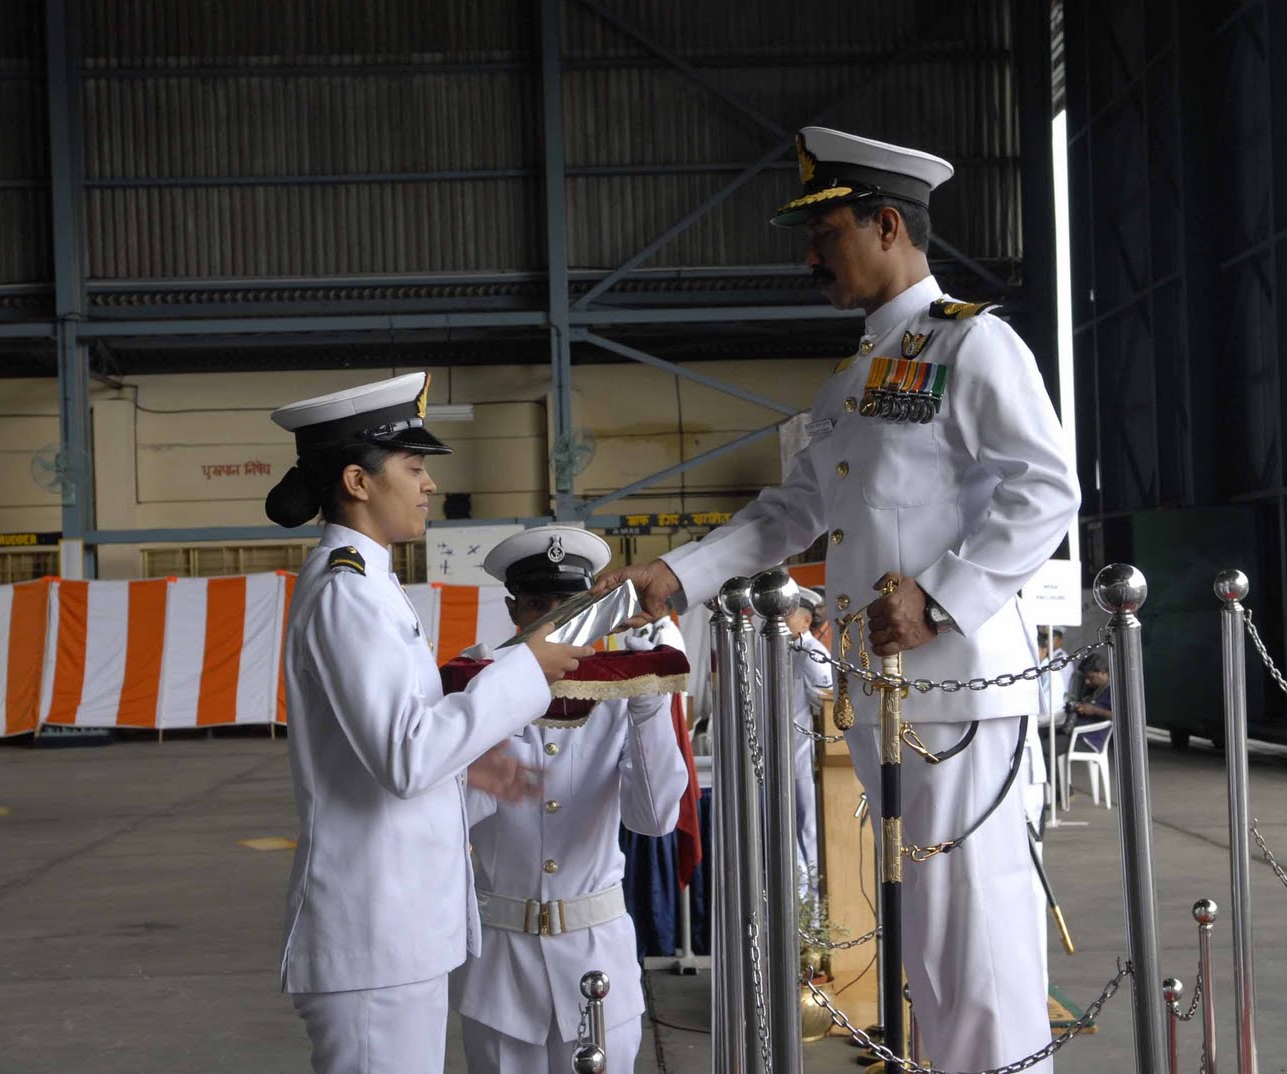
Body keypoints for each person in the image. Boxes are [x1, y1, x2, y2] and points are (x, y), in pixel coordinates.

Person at [596, 126, 1080, 1070]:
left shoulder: (974, 344)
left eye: (827, 231)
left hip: (960, 697)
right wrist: (678, 573)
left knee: (977, 948)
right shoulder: (855, 378)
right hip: (886, 700)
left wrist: (941, 598)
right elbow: (794, 511)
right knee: (929, 953)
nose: (810, 252)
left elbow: (1048, 487)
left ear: (888, 224)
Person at [265, 373, 595, 1074]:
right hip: (374, 933)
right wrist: (525, 666)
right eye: (413, 468)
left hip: (396, 930)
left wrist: (471, 771)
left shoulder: (371, 584)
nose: (428, 485)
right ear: (358, 480)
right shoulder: (347, 590)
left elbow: (393, 749)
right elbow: (408, 757)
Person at [451, 524, 687, 1072]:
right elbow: (449, 820)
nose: (554, 620)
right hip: (501, 966)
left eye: (569, 603)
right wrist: (495, 721)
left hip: (595, 957)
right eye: (538, 604)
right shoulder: (471, 690)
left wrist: (648, 703)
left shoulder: (615, 696)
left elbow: (655, 819)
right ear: (514, 610)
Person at [789, 586, 835, 896]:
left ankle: (813, 909)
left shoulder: (811, 652)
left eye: (789, 613)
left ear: (806, 621)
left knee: (808, 830)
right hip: (784, 751)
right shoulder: (783, 647)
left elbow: (827, 701)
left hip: (802, 753)